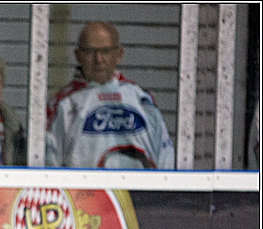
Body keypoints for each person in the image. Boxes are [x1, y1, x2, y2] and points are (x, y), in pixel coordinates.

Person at [46, 21, 175, 169]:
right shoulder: (63, 104)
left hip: (139, 191)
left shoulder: (141, 99)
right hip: (86, 192)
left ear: (119, 54)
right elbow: (49, 166)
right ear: (78, 55)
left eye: (105, 51)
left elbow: (166, 159)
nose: (98, 59)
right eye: (90, 51)